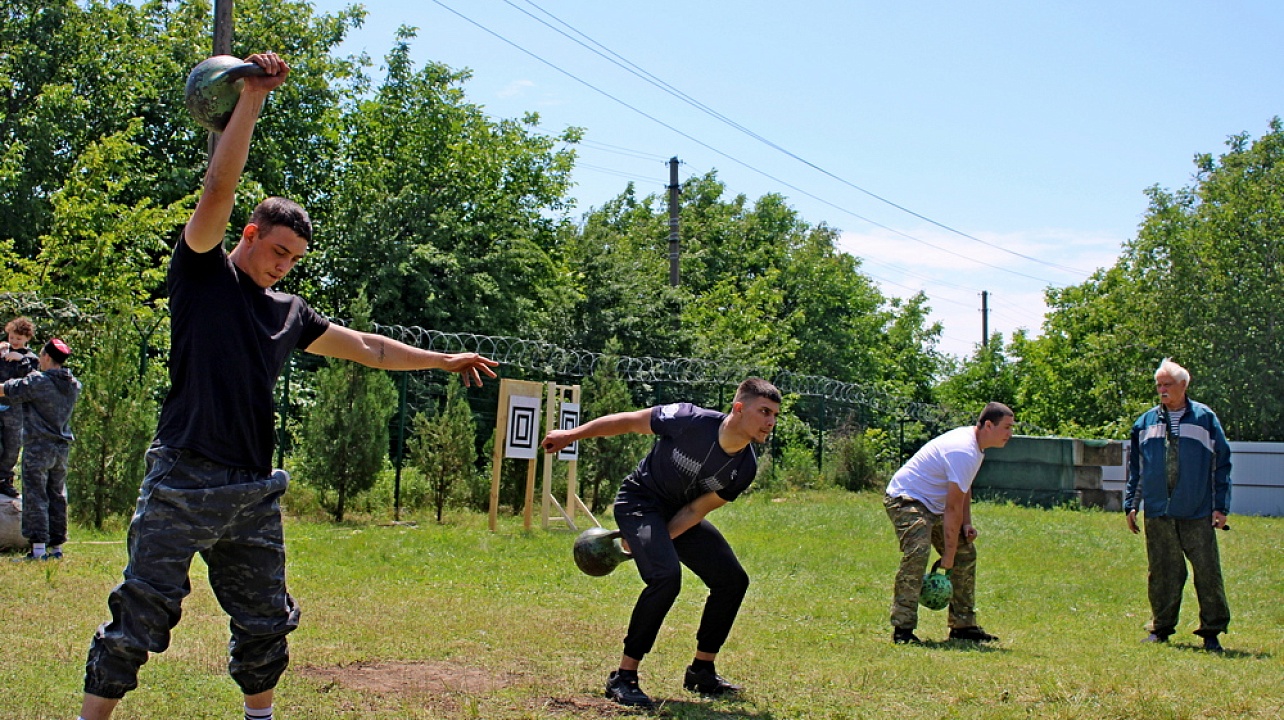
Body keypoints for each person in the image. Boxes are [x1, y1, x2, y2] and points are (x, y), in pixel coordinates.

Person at [77, 53, 498, 720]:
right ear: (248, 235)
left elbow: (366, 346)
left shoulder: (290, 313)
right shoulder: (203, 276)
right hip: (183, 478)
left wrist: (442, 359)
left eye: (294, 260)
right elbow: (218, 186)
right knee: (142, 615)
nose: (283, 266)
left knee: (267, 621)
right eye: (277, 251)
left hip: (251, 491)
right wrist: (252, 98)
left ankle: (260, 716)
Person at [540, 378, 782, 709]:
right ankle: (623, 677)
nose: (770, 422)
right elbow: (628, 421)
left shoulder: (745, 468)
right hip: (639, 501)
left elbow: (696, 510)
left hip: (680, 514)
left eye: (775, 415)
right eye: (764, 412)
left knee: (732, 580)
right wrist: (570, 435)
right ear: (739, 408)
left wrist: (655, 542)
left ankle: (702, 670)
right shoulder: (688, 419)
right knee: (665, 578)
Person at [884, 401, 1014, 645]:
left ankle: (963, 626)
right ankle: (903, 629)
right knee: (918, 552)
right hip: (906, 497)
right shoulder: (963, 450)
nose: (1010, 433)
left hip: (934, 503)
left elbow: (963, 490)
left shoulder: (977, 448)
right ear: (988, 425)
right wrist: (948, 555)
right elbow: (952, 507)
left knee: (966, 552)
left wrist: (967, 525)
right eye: (1006, 427)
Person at [1125, 358, 1231, 652]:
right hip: (1158, 512)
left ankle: (1212, 631)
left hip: (1196, 510)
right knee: (1162, 572)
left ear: (1184, 385)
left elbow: (1221, 464)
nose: (1161, 389)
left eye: (1167, 384)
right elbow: (1137, 468)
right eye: (1158, 384)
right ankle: (1160, 628)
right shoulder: (1144, 423)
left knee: (1207, 571)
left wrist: (1220, 507)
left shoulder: (1205, 418)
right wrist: (1131, 504)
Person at [1, 338, 80, 560]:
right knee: (57, 495)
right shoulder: (72, 384)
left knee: (35, 496)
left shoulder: (38, 383)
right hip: (61, 448)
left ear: (45, 357)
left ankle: (37, 550)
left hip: (38, 447)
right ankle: (56, 549)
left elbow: (7, 389)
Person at [0, 316, 40, 498]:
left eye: (18, 338)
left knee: (12, 445)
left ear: (27, 338)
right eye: (11, 338)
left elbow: (34, 380)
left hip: (15, 408)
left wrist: (20, 359)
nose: (14, 342)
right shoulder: (2, 351)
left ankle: (5, 479)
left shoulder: (31, 359)